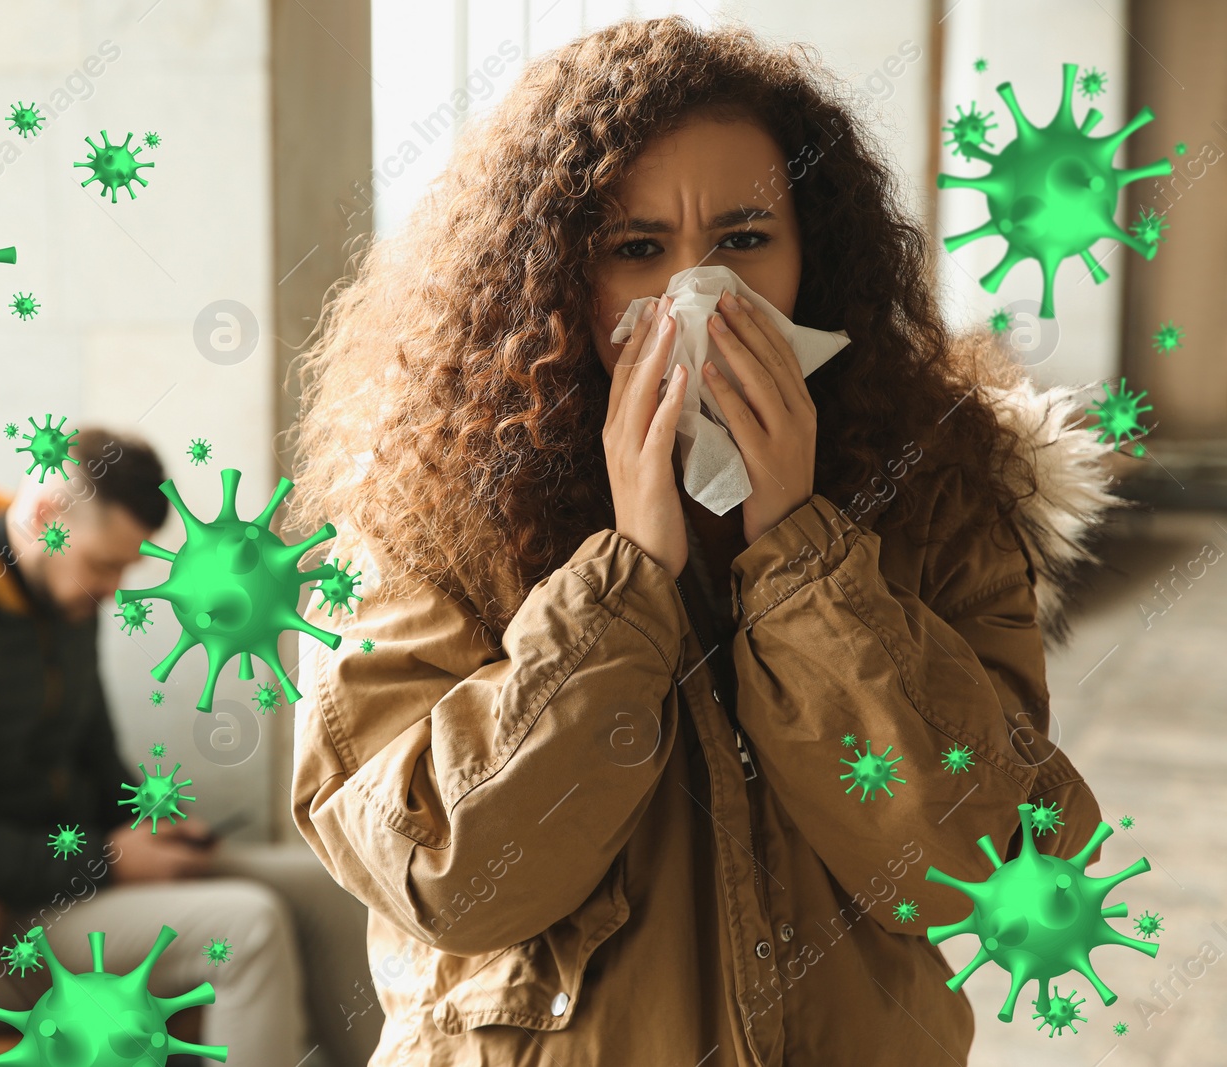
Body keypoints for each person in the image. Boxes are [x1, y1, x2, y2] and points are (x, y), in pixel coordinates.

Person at [282, 19, 1128, 1067]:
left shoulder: (936, 487)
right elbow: (445, 868)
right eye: (638, 250)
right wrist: (623, 584)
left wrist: (803, 560)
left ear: (813, 254)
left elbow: (975, 856)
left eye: (742, 240)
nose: (698, 294)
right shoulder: (419, 506)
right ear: (550, 276)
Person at [0, 426, 313, 1063]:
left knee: (320, 887)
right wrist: (105, 859)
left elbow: (96, 759)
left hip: (51, 891)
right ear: (46, 517)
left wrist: (148, 825)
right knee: (247, 928)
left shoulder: (61, 603)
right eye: (103, 565)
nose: (112, 589)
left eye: (125, 567)